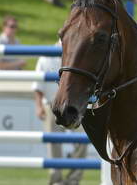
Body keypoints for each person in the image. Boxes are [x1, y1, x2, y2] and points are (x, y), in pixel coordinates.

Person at [33, 41, 87, 185]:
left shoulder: (77, 55)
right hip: (51, 105)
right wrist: (38, 106)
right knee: (53, 143)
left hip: (73, 106)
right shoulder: (45, 57)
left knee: (83, 140)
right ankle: (56, 179)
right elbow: (38, 84)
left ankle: (73, 179)